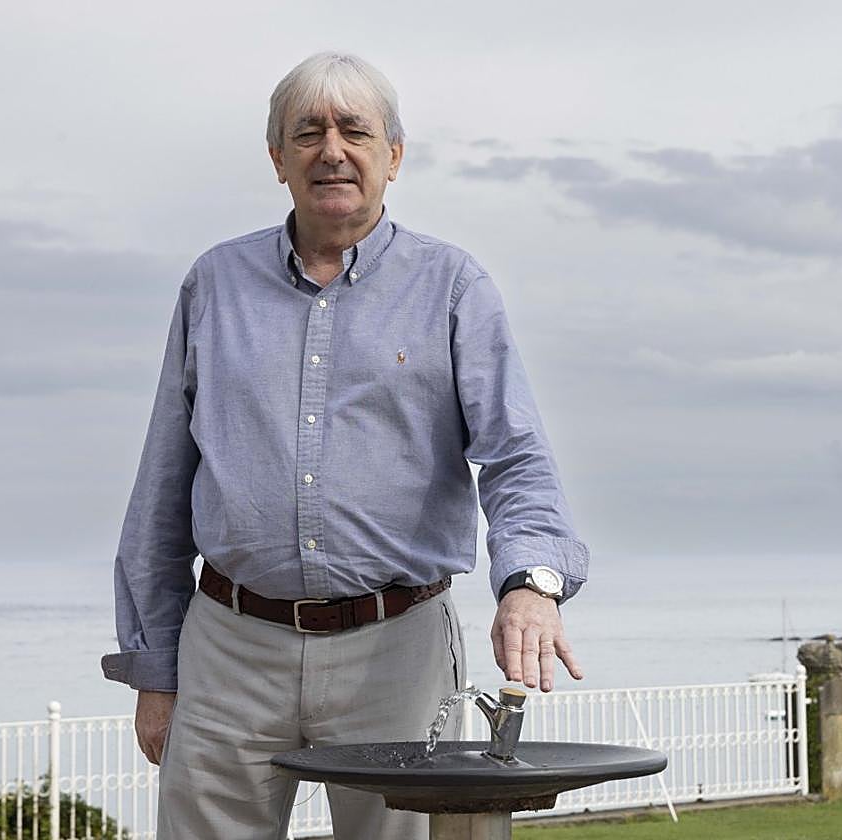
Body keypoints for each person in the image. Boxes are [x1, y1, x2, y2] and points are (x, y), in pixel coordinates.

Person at [100, 51, 589, 839]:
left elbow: (516, 457)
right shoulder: (212, 286)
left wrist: (531, 582)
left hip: (397, 652)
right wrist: (156, 670)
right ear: (278, 159)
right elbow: (164, 485)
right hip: (227, 649)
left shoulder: (455, 287)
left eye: (355, 131)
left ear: (394, 156)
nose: (333, 149)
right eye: (309, 133)